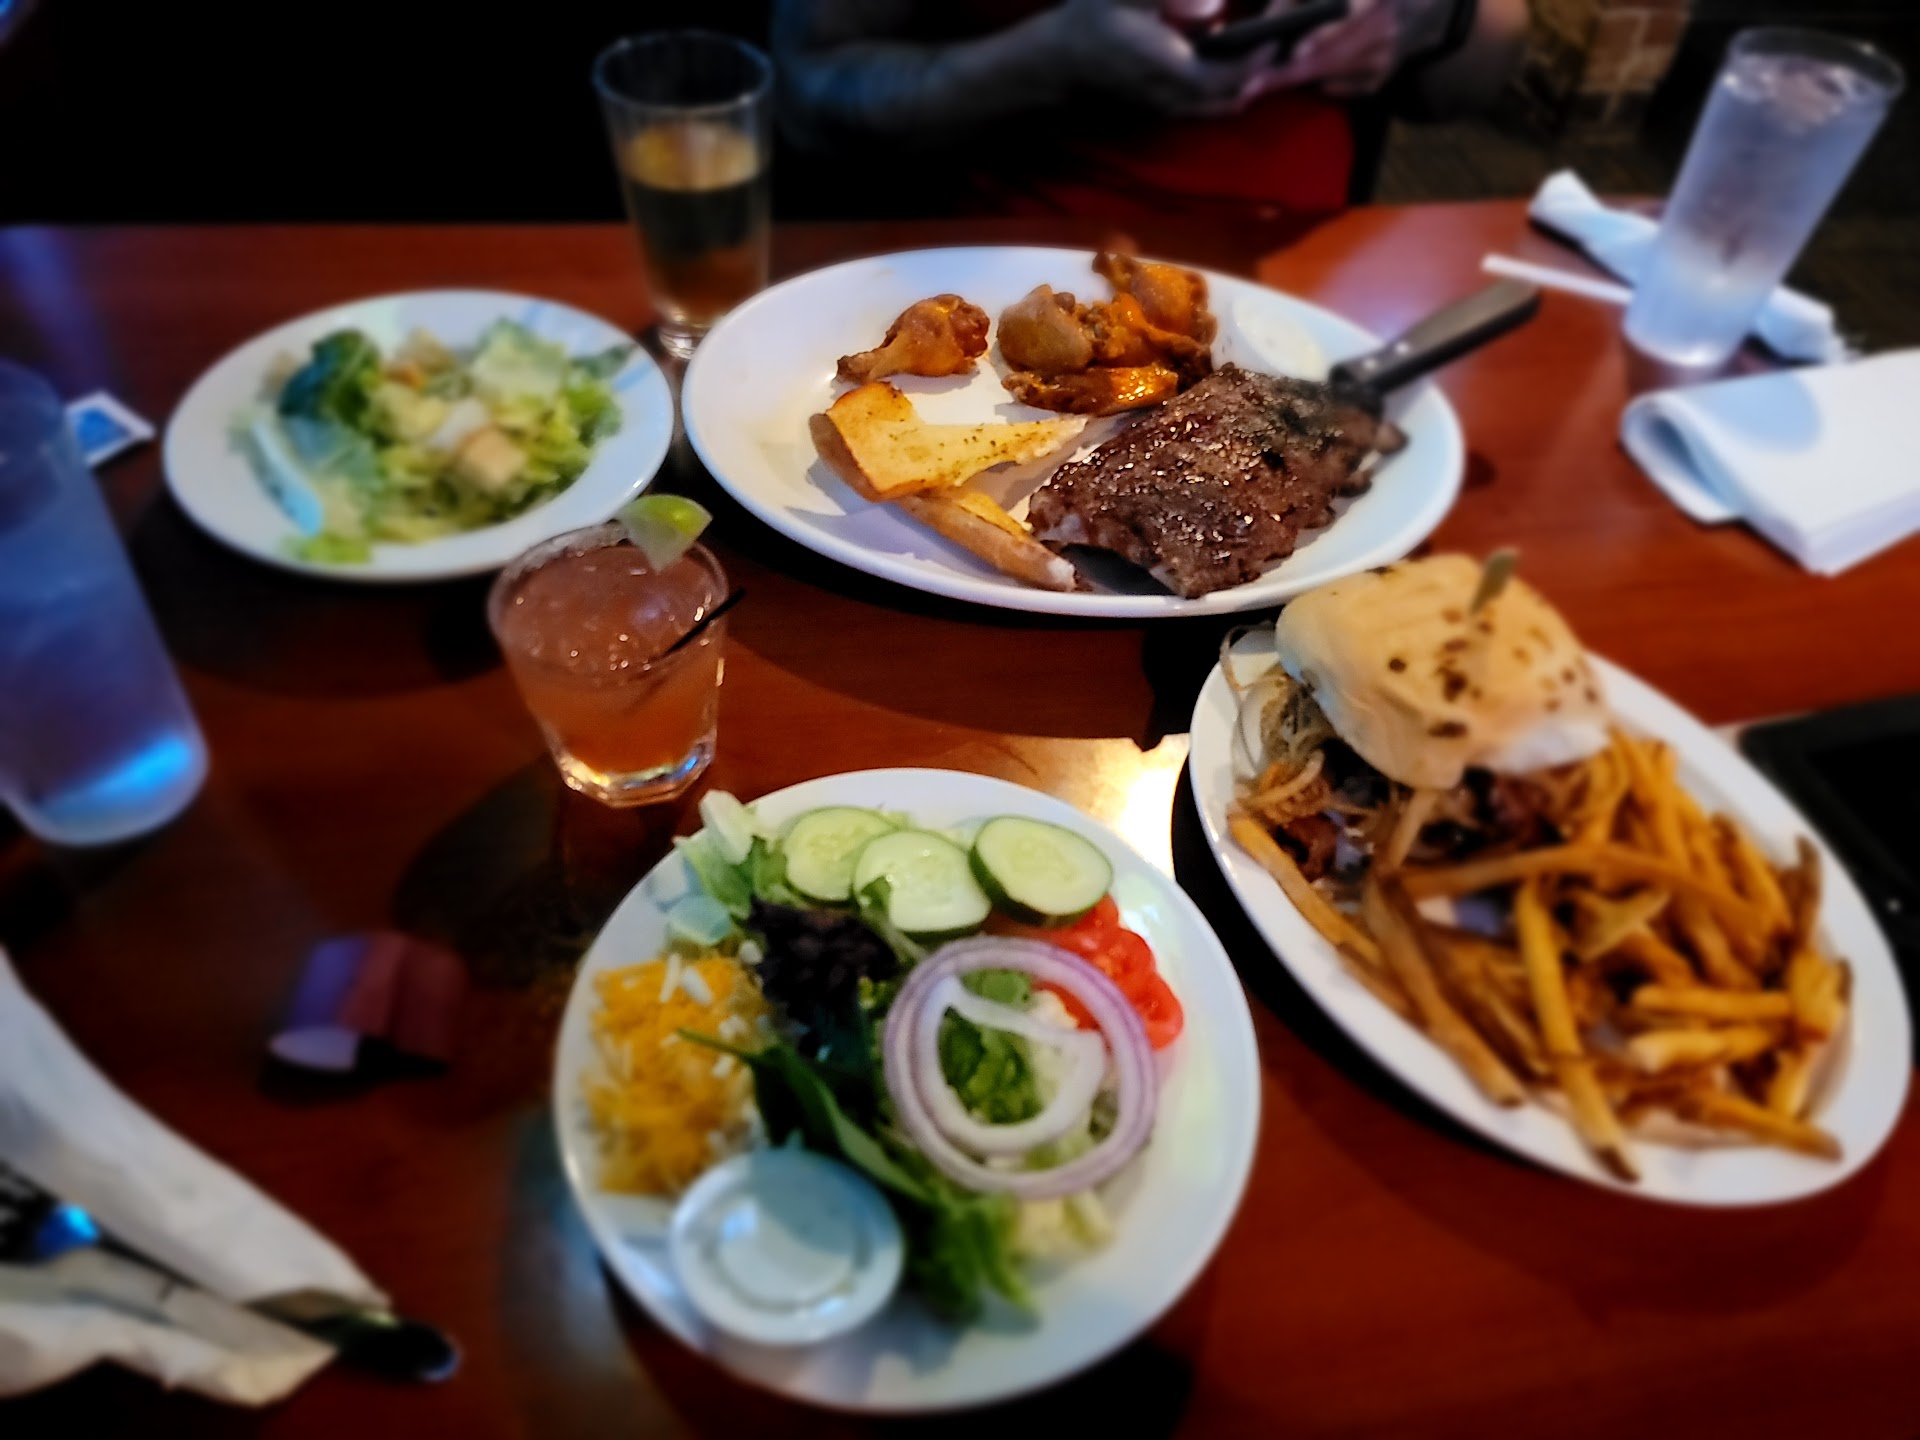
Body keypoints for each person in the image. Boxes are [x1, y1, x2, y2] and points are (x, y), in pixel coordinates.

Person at [772, 0, 1526, 222]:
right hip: (992, 277)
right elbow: (806, 95)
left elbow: (1466, 86)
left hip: (1307, 284)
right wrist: (1049, 61)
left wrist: (1432, 18)